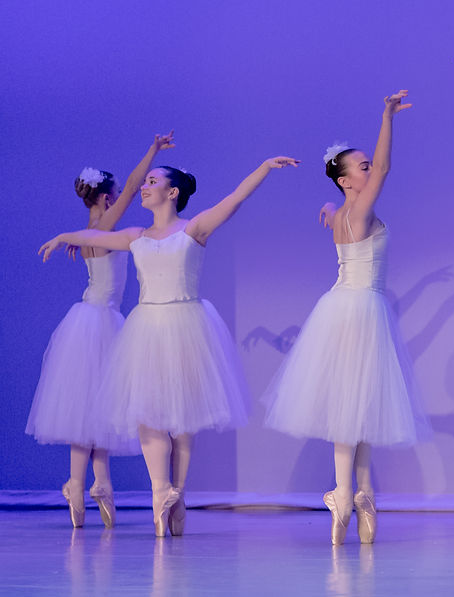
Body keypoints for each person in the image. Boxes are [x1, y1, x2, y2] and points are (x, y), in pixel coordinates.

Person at [39, 155, 300, 536]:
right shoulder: (136, 236)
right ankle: (160, 491)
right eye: (143, 181)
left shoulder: (194, 229)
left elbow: (234, 199)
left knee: (182, 421)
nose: (144, 187)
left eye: (152, 181)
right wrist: (64, 236)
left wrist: (262, 167)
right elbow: (95, 238)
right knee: (149, 414)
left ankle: (177, 495)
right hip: (147, 328)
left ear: (172, 192)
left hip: (186, 326)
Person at [263, 90, 428, 545]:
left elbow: (347, 214)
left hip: (345, 306)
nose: (370, 168)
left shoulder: (343, 213)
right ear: (344, 180)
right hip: (360, 308)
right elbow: (388, 166)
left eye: (367, 165)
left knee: (358, 405)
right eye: (362, 166)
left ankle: (358, 493)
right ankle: (348, 493)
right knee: (353, 407)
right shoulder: (358, 206)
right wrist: (387, 117)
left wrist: (331, 209)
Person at [27, 131, 175, 528]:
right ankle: (94, 485)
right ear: (107, 198)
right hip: (103, 320)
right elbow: (131, 185)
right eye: (117, 195)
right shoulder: (107, 224)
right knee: (98, 407)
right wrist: (153, 150)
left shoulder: (93, 228)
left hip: (89, 318)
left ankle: (87, 485)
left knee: (90, 410)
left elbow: (96, 232)